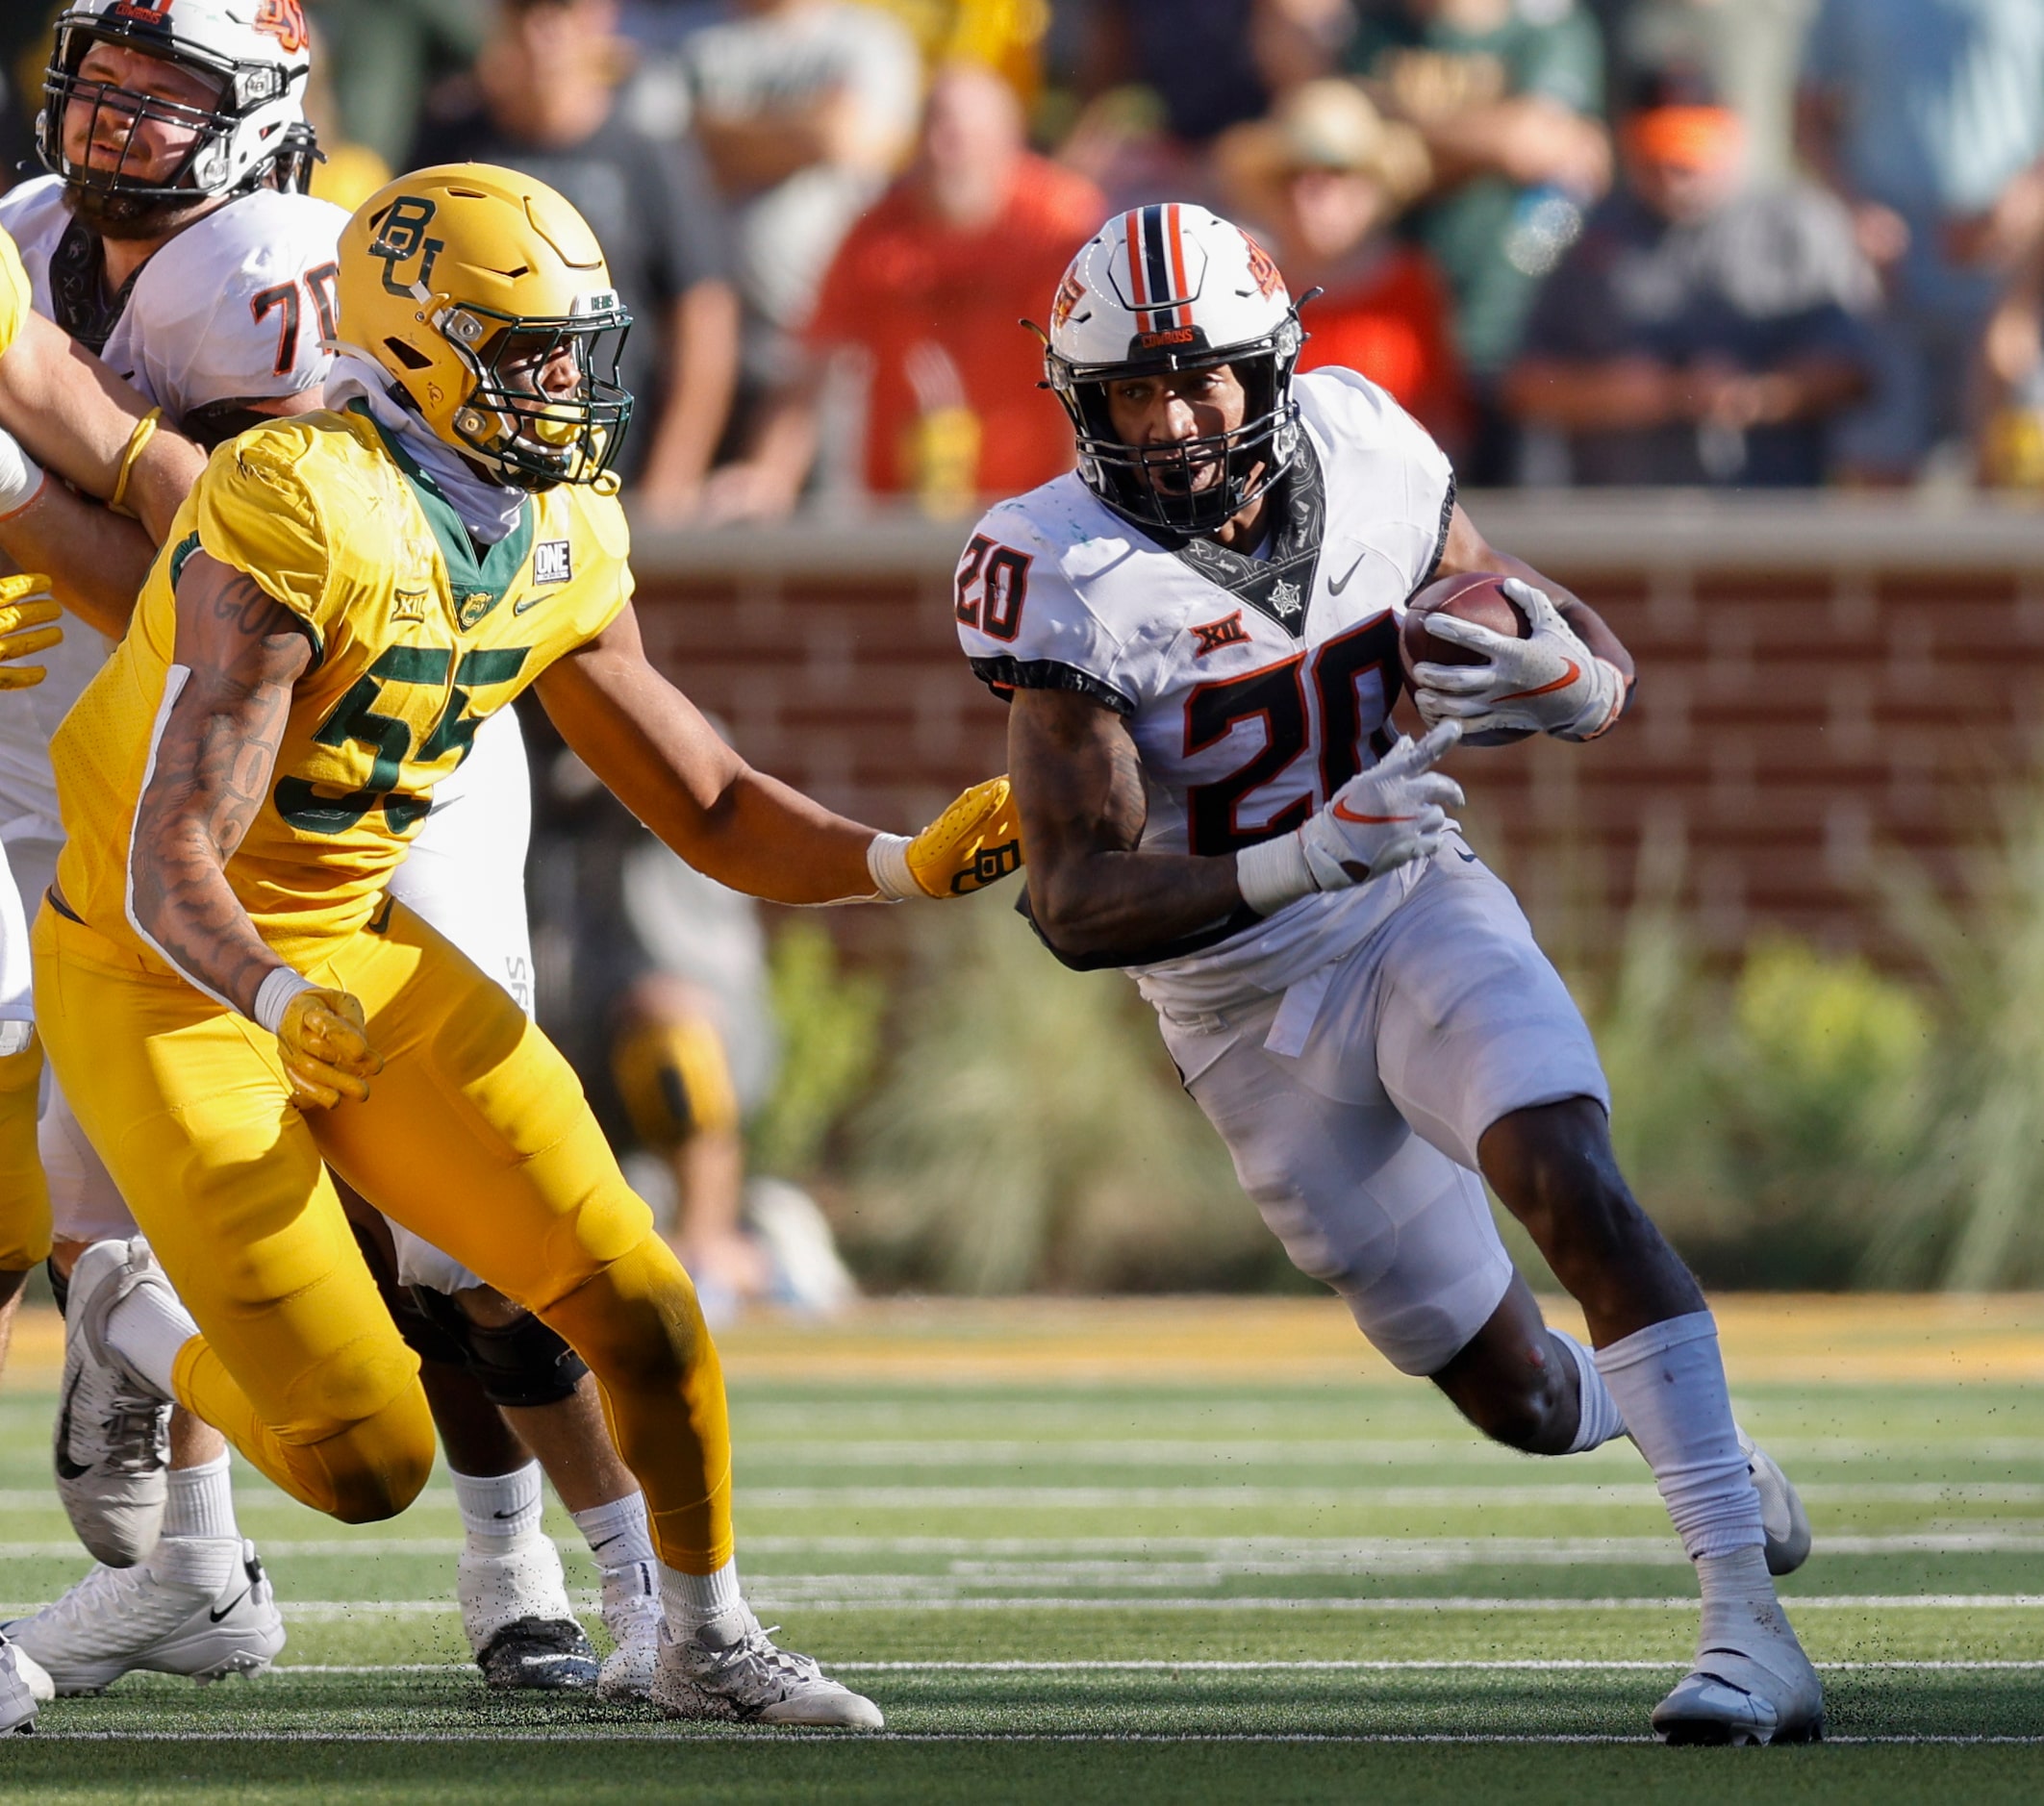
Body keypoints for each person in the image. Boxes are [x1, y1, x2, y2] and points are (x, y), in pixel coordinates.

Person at [35, 159, 1017, 1731]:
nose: (570, 386)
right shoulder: (301, 502)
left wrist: (900, 864)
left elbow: (700, 792)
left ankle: (699, 1630)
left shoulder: (554, 523)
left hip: (350, 946)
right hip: (168, 978)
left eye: (576, 346)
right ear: (419, 347)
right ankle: (127, 1322)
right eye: (531, 351)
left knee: (635, 1293)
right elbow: (170, 862)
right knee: (363, 1461)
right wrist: (275, 991)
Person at [953, 201, 1822, 1745]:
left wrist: (1579, 680)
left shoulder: (1364, 436)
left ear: (1275, 364)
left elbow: (1512, 600)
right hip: (1237, 1003)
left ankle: (1748, 1631)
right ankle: (1697, 1442)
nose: (1171, 419)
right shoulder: (1058, 564)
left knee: (1567, 1171)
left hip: (1415, 907)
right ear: (1076, 402)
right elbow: (1075, 901)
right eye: (1131, 393)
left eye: (1204, 378)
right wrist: (1300, 855)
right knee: (1523, 1400)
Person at [0, 0, 711, 1706]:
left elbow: (242, 577)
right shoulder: (31, 242)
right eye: (102, 74)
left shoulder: (294, 271)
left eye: (168, 91)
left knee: (458, 1231)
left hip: (373, 753)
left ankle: (545, 1564)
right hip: (148, 755)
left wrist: (33, 473)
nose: (115, 115)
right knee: (166, 1177)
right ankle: (192, 1559)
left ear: (262, 118)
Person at [704, 60, 1102, 520]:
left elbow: (1087, 376)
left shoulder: (1059, 225)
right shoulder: (879, 232)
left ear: (1009, 142)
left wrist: (1078, 509)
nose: (942, 152)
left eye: (961, 137)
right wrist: (767, 476)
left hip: (1035, 512)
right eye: (931, 132)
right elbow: (811, 367)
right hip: (905, 515)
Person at [411, 0, 740, 520]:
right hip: (470, 479)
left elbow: (704, 320)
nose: (544, 32)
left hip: (607, 474)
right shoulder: (449, 142)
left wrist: (670, 485)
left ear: (601, 19)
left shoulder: (647, 157)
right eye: (525, 12)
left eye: (561, 10)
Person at [1504, 71, 1873, 487]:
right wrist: (1617, 394)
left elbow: (1853, 371)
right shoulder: (1586, 233)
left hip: (1768, 514)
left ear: (1731, 139)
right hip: (1619, 519)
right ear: (1627, 146)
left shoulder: (1798, 226)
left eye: (1688, 155)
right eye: (1654, 155)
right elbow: (1525, 384)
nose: (1671, 174)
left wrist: (1754, 395)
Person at [1345, 0, 1611, 481]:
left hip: (1518, 314)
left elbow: (1526, 142)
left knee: (1514, 526)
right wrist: (1489, 139)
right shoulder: (1380, 30)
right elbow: (1354, 144)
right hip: (1403, 321)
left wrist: (1395, 119)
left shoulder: (1545, 25)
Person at [1796, 0, 2044, 483]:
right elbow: (1807, 120)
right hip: (1889, 285)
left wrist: (2023, 206)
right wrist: (1856, 213)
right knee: (1879, 485)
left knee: (2012, 484)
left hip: (2009, 279)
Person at [670, 0, 921, 440]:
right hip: (709, 349)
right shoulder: (699, 41)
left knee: (826, 506)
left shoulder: (867, 39)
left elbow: (844, 138)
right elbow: (670, 150)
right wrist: (804, 131)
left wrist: (721, 136)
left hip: (829, 355)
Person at [1216, 76, 1470, 454]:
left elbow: (1445, 423)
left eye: (1334, 174)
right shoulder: (1241, 290)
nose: (1308, 195)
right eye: (1293, 175)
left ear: (1372, 187)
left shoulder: (1413, 287)